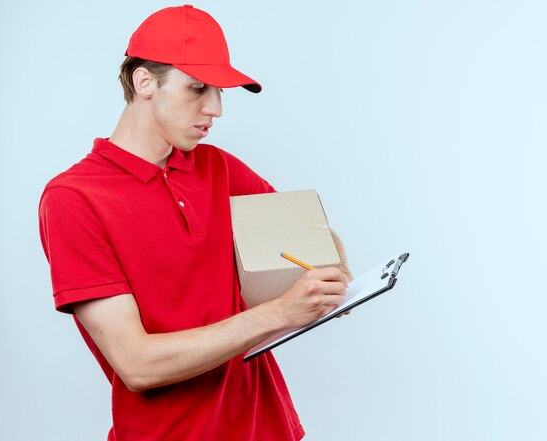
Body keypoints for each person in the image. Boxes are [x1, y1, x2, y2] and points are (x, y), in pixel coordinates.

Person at [38, 5, 351, 441]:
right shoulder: (74, 199)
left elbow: (313, 239)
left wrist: (328, 276)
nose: (216, 108)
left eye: (220, 91)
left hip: (268, 429)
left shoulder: (218, 169)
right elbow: (137, 364)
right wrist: (279, 311)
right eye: (198, 88)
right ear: (143, 81)